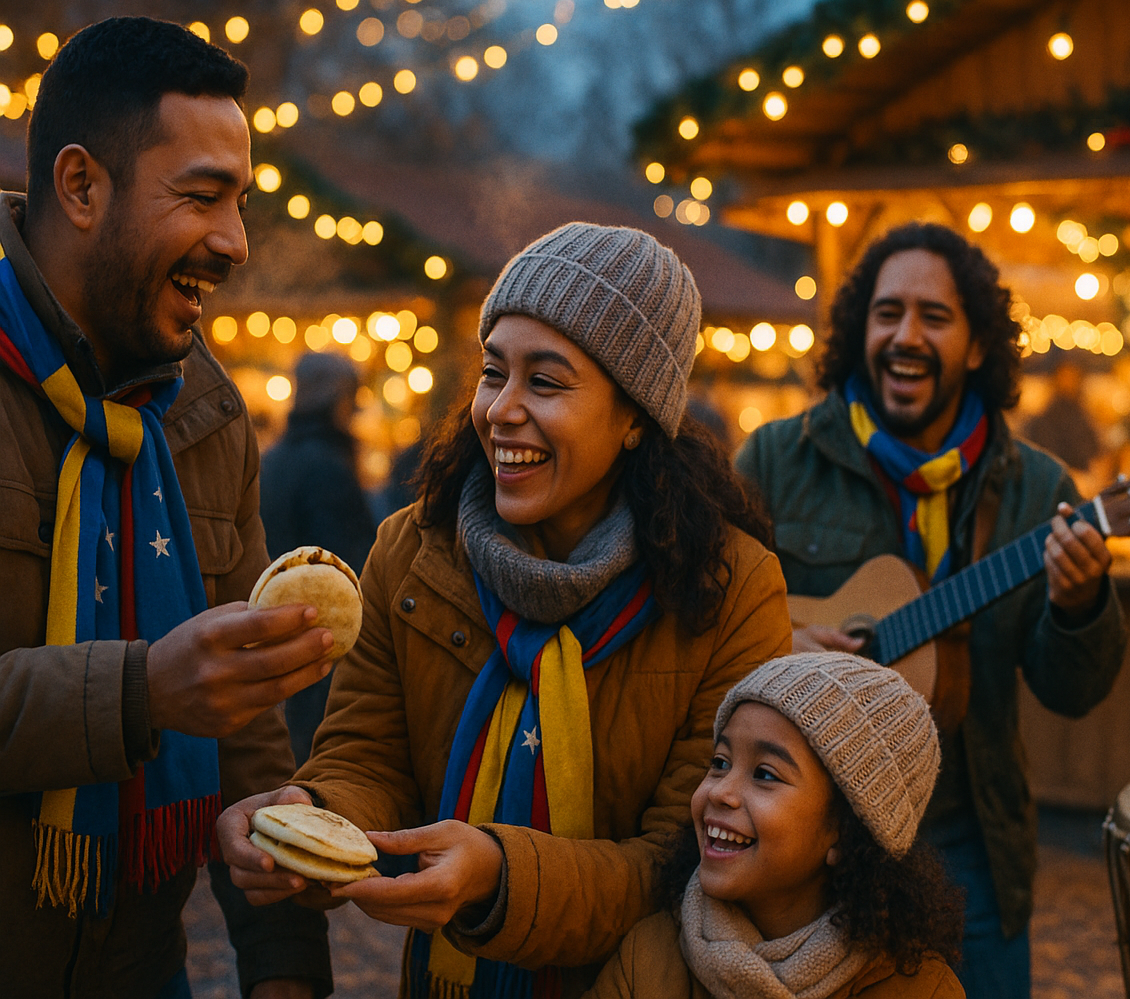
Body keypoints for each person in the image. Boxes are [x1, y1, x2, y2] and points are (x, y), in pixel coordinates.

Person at [218, 223, 794, 996]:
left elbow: (687, 857)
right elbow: (367, 756)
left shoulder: (732, 588)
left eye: (546, 383)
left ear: (635, 418)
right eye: (495, 373)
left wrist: (501, 877)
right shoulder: (411, 549)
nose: (501, 411)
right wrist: (312, 815)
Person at [0, 18, 333, 999]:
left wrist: (285, 972)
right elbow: (178, 689)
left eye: (240, 202)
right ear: (81, 186)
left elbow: (250, 735)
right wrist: (141, 692)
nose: (234, 242)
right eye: (202, 197)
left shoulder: (207, 413)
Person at [736, 222, 1127, 996]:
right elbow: (702, 623)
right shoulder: (776, 461)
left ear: (978, 345)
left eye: (934, 317)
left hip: (967, 841)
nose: (905, 336)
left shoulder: (1036, 491)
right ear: (859, 329)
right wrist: (779, 642)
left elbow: (1071, 690)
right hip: (804, 834)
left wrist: (1079, 607)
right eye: (887, 313)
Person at [583, 652, 965, 998]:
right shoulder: (649, 958)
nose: (721, 792)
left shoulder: (921, 990)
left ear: (847, 835)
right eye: (719, 763)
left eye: (765, 774)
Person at [260, 352, 379, 765]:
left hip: (276, 634)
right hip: (322, 640)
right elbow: (352, 564)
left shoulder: (272, 460)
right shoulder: (327, 465)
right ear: (338, 398)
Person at [1023, 358, 1101, 472]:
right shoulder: (1044, 420)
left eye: (1073, 377)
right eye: (1065, 377)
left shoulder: (1082, 416)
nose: (1069, 382)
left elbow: (1093, 451)